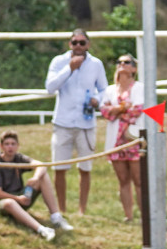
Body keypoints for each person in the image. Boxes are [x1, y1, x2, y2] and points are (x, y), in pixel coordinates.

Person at [45, 28, 108, 215]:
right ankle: (62, 209)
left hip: (86, 123)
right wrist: (69, 69)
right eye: (75, 43)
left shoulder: (96, 64)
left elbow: (104, 89)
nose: (78, 46)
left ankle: (82, 210)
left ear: (88, 44)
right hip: (63, 122)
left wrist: (98, 99)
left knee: (85, 168)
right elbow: (50, 87)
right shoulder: (59, 62)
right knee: (60, 168)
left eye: (82, 43)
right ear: (69, 44)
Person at [0, 130, 74, 241]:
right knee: (10, 203)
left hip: (20, 198)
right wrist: (17, 199)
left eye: (13, 144)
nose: (10, 147)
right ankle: (42, 230)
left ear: (18, 146)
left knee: (42, 176)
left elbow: (41, 165)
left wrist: (35, 178)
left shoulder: (18, 158)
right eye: (7, 144)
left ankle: (56, 217)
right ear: (1, 146)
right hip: (3, 202)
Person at [100, 54, 145, 222]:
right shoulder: (110, 90)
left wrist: (115, 110)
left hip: (133, 139)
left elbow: (137, 110)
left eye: (126, 62)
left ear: (134, 68)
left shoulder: (140, 88)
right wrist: (122, 108)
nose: (122, 65)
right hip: (116, 141)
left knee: (139, 180)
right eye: (119, 62)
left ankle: (144, 215)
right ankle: (129, 216)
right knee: (123, 180)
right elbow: (104, 111)